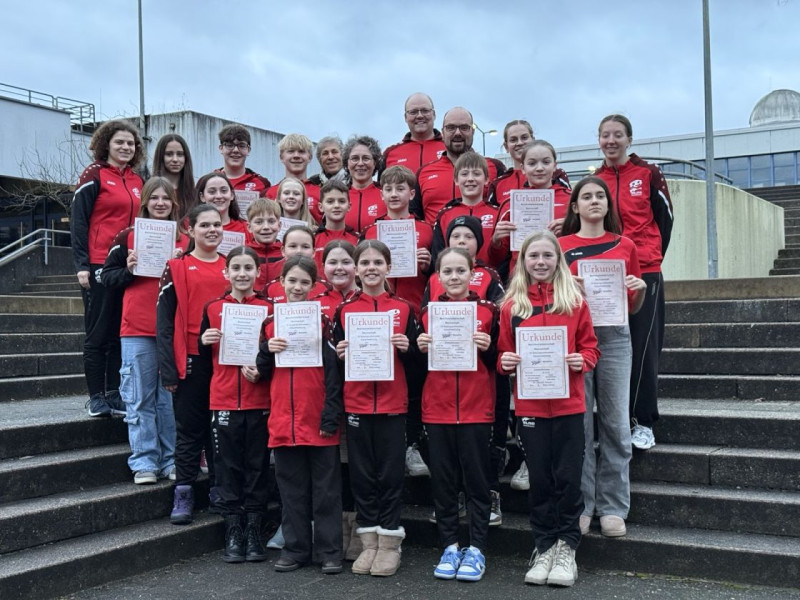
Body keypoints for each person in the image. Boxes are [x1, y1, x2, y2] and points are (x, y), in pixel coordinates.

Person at [497, 230, 600, 588]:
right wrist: (505, 362)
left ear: (559, 260)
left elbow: (591, 347)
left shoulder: (574, 302)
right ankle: (543, 546)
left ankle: (567, 547)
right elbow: (503, 353)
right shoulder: (512, 307)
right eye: (533, 256)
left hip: (569, 405)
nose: (540, 262)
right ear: (522, 261)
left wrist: (582, 360)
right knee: (540, 479)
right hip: (530, 407)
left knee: (568, 479)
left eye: (547, 255)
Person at [559, 176, 647, 539]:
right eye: (586, 196)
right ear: (575, 206)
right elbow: (550, 300)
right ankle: (583, 505)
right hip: (575, 338)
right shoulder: (561, 247)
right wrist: (568, 289)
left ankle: (613, 506)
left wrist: (640, 291)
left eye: (600, 196)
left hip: (614, 338)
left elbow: (633, 307)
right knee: (579, 426)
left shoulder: (625, 245)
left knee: (616, 425)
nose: (594, 200)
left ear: (608, 204)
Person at [333, 240, 419, 577]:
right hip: (356, 404)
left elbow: (419, 365)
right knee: (363, 476)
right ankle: (369, 543)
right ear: (356, 269)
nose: (371, 268)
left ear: (388, 267)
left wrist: (409, 349)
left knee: (390, 475)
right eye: (365, 263)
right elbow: (334, 364)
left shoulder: (404, 308)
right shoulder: (345, 310)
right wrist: (340, 354)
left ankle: (390, 543)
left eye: (378, 262)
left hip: (393, 404)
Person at [256, 255, 344, 574]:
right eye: (291, 280)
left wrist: (330, 414)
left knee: (326, 491)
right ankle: (295, 549)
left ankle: (330, 551)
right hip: (284, 419)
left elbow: (334, 374)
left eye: (304, 282)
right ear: (281, 281)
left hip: (317, 417)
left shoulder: (323, 322)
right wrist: (267, 351)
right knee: (291, 491)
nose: (297, 287)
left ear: (314, 285)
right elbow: (262, 371)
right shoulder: (270, 323)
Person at [417, 247, 498, 582]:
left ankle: (476, 548)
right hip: (437, 409)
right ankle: (450, 546)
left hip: (476, 408)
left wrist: (488, 348)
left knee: (477, 483)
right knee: (444, 483)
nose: (454, 277)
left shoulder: (489, 310)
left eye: (460, 271)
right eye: (447, 272)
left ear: (472, 273)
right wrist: (420, 348)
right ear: (437, 276)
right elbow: (414, 367)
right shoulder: (427, 313)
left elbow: (501, 360)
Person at [101, 177, 188, 484]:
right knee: (139, 397)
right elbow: (106, 277)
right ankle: (144, 461)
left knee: (166, 400)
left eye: (166, 198)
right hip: (137, 327)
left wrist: (179, 264)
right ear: (145, 202)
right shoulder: (127, 237)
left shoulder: (184, 240)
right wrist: (128, 269)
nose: (160, 203)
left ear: (174, 203)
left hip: (172, 330)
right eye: (154, 198)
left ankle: (169, 459)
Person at [594, 114, 674, 450]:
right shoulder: (595, 180)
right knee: (608, 347)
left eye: (618, 135)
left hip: (644, 270)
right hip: (604, 272)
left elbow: (665, 219)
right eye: (605, 135)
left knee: (643, 346)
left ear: (629, 139)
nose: (611, 141)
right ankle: (615, 420)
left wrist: (649, 258)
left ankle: (643, 421)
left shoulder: (648, 173)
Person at [198, 246, 273, 563]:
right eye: (236, 268)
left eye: (248, 268)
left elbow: (276, 355)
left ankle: (254, 530)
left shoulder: (269, 309)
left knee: (257, 466)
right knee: (227, 468)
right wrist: (203, 342)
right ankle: (233, 529)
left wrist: (263, 369)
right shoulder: (214, 308)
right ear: (226, 272)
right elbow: (204, 360)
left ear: (258, 272)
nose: (242, 274)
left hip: (259, 399)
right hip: (224, 398)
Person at [156, 203, 229, 525]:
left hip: (227, 362)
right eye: (205, 225)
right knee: (189, 431)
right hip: (191, 360)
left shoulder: (231, 266)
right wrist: (169, 368)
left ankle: (218, 490)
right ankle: (183, 493)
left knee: (221, 430)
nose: (212, 230)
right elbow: (164, 323)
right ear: (190, 229)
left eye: (217, 224)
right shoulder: (177, 266)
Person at [359, 165, 434, 479]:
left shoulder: (426, 229)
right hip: (376, 318)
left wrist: (427, 264)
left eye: (400, 188)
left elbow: (438, 273)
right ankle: (388, 446)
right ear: (381, 194)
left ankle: (411, 444)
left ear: (412, 193)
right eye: (388, 189)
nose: (394, 194)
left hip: (413, 315)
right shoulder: (372, 231)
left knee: (414, 382)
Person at [71, 119, 144, 418]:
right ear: (106, 145)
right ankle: (95, 398)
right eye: (119, 142)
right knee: (98, 332)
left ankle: (113, 393)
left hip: (128, 266)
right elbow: (78, 221)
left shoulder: (138, 181)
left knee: (118, 332)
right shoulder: (94, 174)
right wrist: (81, 264)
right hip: (98, 262)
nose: (126, 147)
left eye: (130, 143)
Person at [489, 140, 573, 280]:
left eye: (546, 162)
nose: (539, 168)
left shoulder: (571, 200)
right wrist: (496, 241)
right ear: (523, 168)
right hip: (522, 280)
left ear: (554, 166)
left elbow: (585, 240)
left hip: (562, 278)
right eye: (532, 163)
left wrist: (571, 228)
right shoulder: (510, 204)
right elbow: (496, 258)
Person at [413, 107, 506, 224]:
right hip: (436, 236)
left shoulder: (494, 167)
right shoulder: (423, 173)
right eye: (451, 128)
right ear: (443, 133)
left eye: (464, 127)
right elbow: (415, 219)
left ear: (473, 131)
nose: (457, 133)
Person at [431, 152, 499, 266]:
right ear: (456, 180)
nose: (470, 179)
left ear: (487, 179)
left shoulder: (497, 213)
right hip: (454, 275)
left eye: (476, 174)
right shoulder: (444, 215)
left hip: (489, 276)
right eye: (464, 174)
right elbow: (438, 254)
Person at [487, 121, 571, 208]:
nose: (519, 143)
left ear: (533, 140)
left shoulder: (556, 174)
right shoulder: (498, 183)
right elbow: (492, 213)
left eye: (524, 137)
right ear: (506, 146)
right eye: (513, 140)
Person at [383, 92, 446, 173]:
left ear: (434, 115)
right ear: (406, 117)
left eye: (425, 111)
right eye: (413, 112)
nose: (420, 116)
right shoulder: (390, 153)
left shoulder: (449, 148)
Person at [266, 133, 322, 223]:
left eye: (301, 151)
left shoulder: (320, 192)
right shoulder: (271, 193)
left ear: (310, 157)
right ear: (281, 157)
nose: (296, 156)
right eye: (291, 151)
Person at [314, 180, 359, 270]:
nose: (336, 205)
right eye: (330, 201)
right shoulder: (313, 239)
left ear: (349, 206)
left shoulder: (357, 240)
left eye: (341, 201)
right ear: (321, 207)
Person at [216, 123, 271, 198]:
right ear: (221, 148)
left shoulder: (262, 183)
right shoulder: (208, 181)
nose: (235, 150)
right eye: (230, 145)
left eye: (241, 146)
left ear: (248, 150)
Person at [343, 135, 384, 233]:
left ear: (375, 163)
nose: (360, 163)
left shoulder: (386, 194)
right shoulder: (339, 195)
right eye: (355, 158)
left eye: (366, 158)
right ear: (347, 163)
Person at [152, 133, 196, 220]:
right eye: (169, 154)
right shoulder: (148, 190)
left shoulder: (195, 194)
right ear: (161, 157)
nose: (175, 159)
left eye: (180, 154)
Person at [195, 172, 250, 238]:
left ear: (232, 195)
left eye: (224, 191)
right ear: (202, 197)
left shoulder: (247, 228)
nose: (219, 196)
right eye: (212, 192)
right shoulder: (192, 227)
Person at [245, 198, 283, 290]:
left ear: (279, 225)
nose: (266, 227)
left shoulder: (287, 254)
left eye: (271, 221)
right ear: (249, 227)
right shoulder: (243, 254)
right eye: (259, 222)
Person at [318, 240, 359, 320]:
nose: (339, 267)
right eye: (333, 263)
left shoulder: (369, 300)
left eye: (346, 262)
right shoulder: (315, 304)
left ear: (357, 267)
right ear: (323, 267)